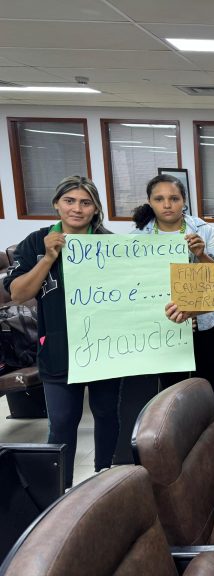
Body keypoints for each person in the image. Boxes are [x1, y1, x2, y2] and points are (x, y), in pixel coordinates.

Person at [4, 176, 121, 489]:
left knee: (108, 416)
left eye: (86, 202)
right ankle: (60, 490)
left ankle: (105, 481)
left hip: (106, 349)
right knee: (62, 423)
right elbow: (18, 293)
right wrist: (49, 257)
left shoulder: (111, 245)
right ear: (57, 204)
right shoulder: (36, 241)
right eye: (70, 201)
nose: (77, 209)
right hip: (59, 349)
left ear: (96, 208)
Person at [133, 174, 214, 416]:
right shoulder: (138, 237)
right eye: (160, 199)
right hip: (164, 324)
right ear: (150, 202)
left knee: (206, 384)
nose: (167, 205)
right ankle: (175, 442)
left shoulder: (204, 231)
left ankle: (210, 435)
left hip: (206, 323)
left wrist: (202, 255)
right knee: (170, 388)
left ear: (183, 201)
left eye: (174, 198)